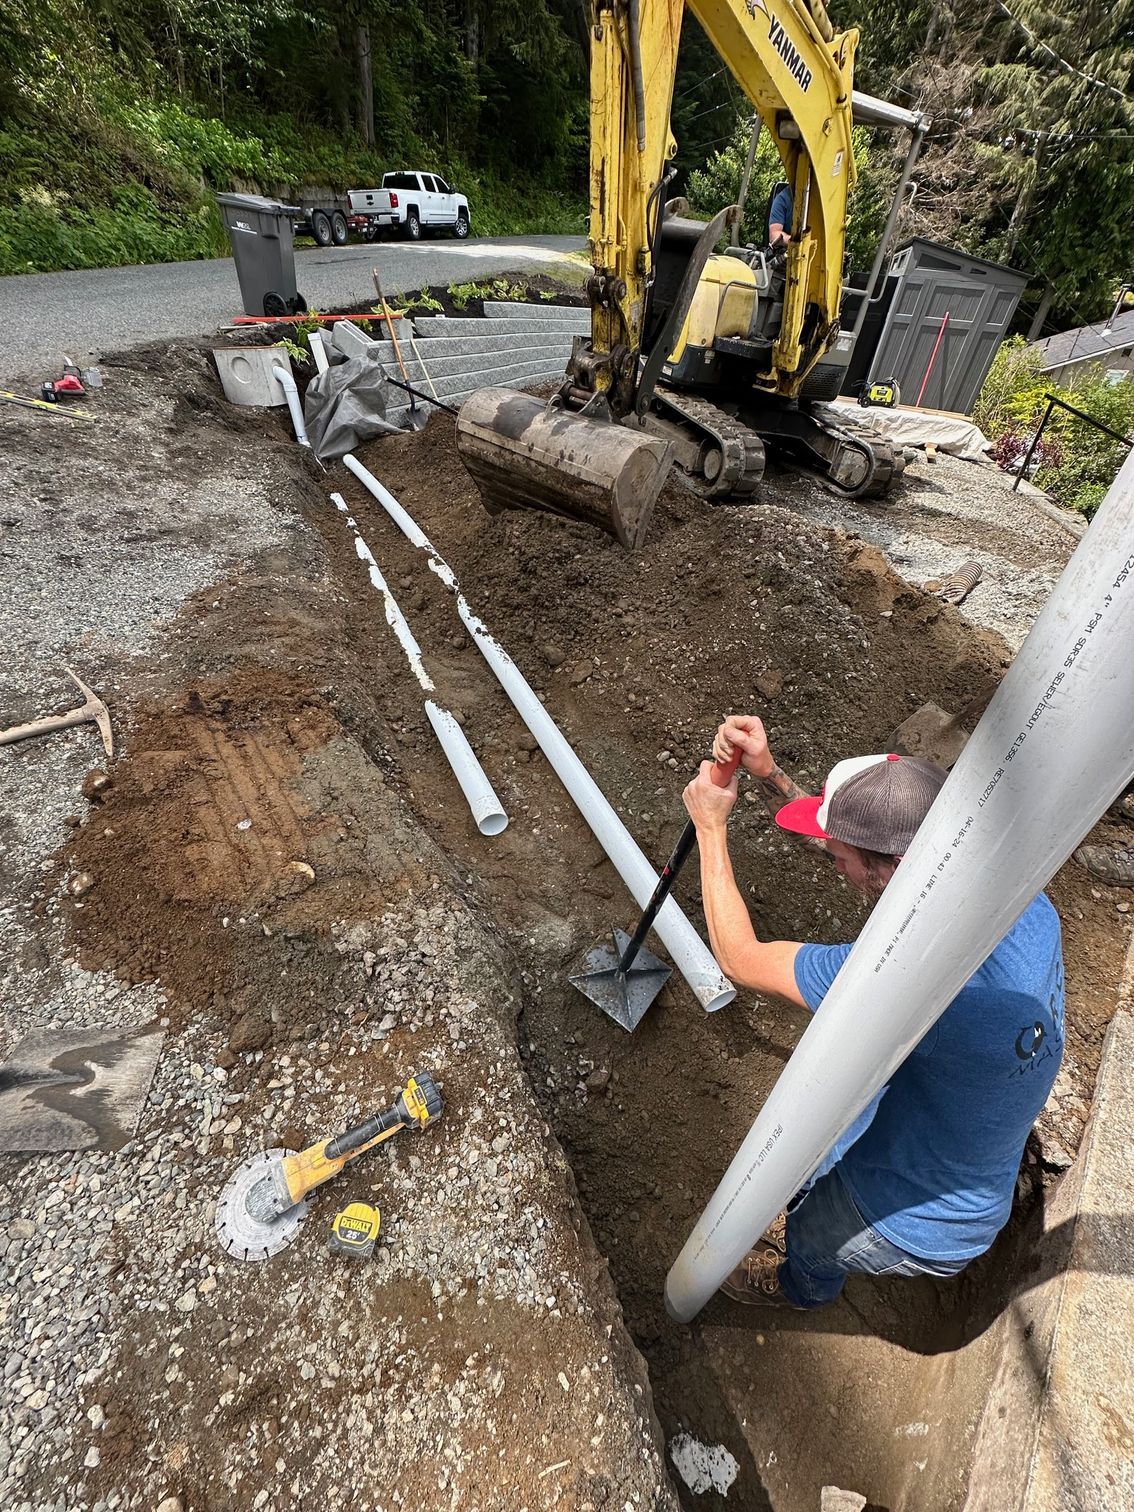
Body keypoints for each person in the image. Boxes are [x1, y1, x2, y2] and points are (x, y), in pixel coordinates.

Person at [681, 713, 1066, 1311]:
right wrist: (771, 776)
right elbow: (875, 852)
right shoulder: (1026, 905)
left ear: (889, 873)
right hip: (959, 1133)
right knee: (831, 1150)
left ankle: (800, 1286)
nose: (832, 861)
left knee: (813, 1233)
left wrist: (709, 827)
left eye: (839, 856)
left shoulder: (902, 985)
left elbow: (739, 957)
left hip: (921, 1219)